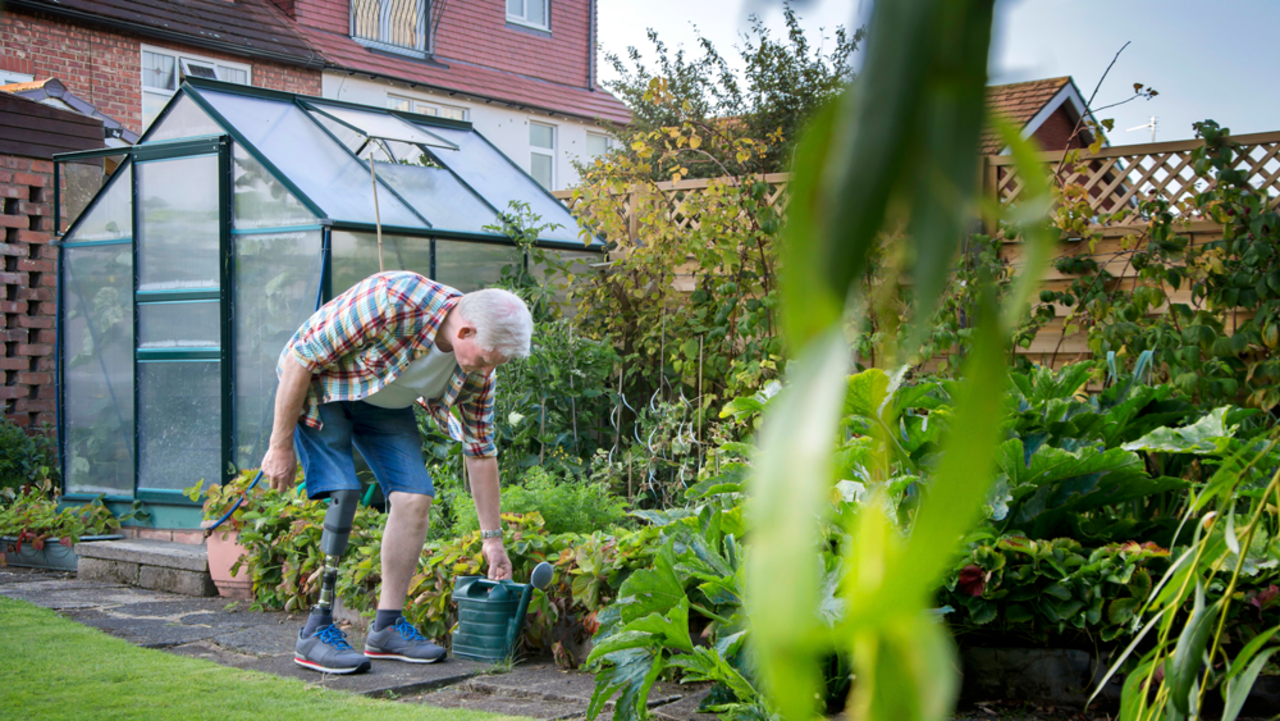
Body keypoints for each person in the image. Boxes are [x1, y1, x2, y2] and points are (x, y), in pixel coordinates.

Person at [260, 270, 529, 674]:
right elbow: (302, 357)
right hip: (323, 387)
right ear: (466, 331)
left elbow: (480, 451)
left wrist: (493, 541)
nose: (490, 372)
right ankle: (315, 631)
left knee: (415, 498)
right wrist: (279, 445)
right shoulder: (392, 301)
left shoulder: (478, 371)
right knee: (344, 491)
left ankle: (386, 629)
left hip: (384, 402)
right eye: (490, 359)